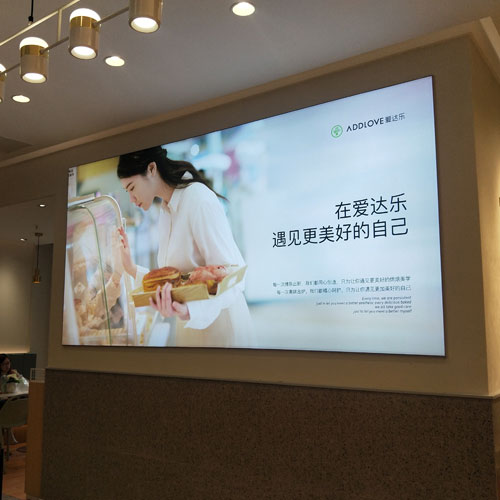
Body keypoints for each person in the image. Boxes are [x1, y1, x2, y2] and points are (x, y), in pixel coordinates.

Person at [117, 146, 253, 347]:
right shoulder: (166, 209)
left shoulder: (198, 199)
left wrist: (191, 310)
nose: (131, 198)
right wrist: (130, 267)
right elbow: (178, 279)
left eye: (132, 188)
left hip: (222, 329)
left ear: (152, 169)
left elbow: (233, 277)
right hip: (192, 329)